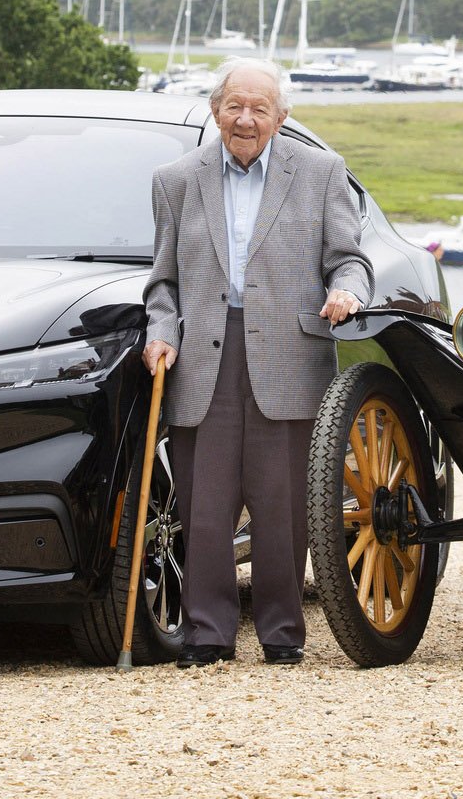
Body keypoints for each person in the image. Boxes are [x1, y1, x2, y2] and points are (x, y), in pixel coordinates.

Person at [143, 57, 371, 667]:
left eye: (259, 109)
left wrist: (347, 293)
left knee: (283, 506)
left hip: (290, 354)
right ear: (215, 109)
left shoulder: (322, 173)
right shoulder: (176, 180)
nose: (245, 119)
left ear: (281, 117)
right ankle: (207, 634)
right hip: (202, 358)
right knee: (205, 506)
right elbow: (162, 283)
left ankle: (281, 634)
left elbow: (350, 260)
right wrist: (160, 330)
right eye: (234, 106)